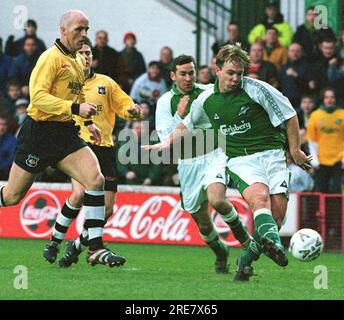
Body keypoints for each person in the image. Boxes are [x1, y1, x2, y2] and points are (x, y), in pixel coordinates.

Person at [146, 44, 311, 281]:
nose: (235, 79)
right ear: (218, 69)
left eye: (240, 73)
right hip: (240, 159)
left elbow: (290, 114)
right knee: (259, 199)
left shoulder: (257, 89)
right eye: (231, 73)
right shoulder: (205, 99)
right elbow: (187, 124)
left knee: (276, 218)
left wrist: (294, 150)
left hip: (273, 154)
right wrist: (166, 142)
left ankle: (246, 259)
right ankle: (273, 245)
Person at [0, 10, 133, 268]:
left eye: (86, 29)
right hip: (38, 134)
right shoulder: (49, 58)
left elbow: (77, 97)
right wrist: (75, 110)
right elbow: (37, 98)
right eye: (78, 30)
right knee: (12, 196)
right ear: (62, 31)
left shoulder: (76, 62)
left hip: (65, 133)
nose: (84, 35)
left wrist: (87, 123)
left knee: (96, 179)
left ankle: (95, 248)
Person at [153, 54, 251, 274]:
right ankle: (221, 252)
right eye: (183, 74)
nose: (188, 78)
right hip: (187, 163)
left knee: (217, 199)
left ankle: (246, 241)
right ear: (172, 75)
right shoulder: (165, 102)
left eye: (191, 72)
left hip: (214, 155)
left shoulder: (207, 91)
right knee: (204, 224)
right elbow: (166, 140)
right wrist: (179, 115)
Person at [48, 38, 142, 267]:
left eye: (89, 52)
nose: (86, 56)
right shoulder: (66, 84)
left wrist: (132, 110)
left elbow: (123, 104)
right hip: (78, 147)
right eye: (81, 52)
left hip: (105, 148)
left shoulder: (106, 83)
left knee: (107, 210)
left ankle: (77, 246)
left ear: (93, 57)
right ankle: (54, 241)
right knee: (80, 194)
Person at [307, 87, 344, 194]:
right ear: (323, 99)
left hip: (339, 160)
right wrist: (314, 160)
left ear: (336, 99)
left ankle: (337, 211)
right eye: (327, 97)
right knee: (321, 191)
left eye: (332, 97)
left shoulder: (342, 114)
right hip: (321, 161)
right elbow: (312, 140)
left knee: (337, 192)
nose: (329, 100)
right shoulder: (315, 116)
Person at [279, 43, 315, 107]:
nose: (295, 53)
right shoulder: (283, 67)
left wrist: (296, 76)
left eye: (297, 51)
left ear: (301, 52)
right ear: (288, 52)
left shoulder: (308, 67)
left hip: (301, 103)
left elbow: (311, 87)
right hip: (285, 102)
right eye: (292, 51)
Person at [0, 115, 16, 180]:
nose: (2, 127)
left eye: (4, 124)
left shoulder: (12, 140)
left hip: (5, 175)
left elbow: (12, 159)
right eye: (0, 124)